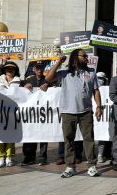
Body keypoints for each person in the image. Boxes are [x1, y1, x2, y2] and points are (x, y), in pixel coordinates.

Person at [45, 49, 102, 178]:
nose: (87, 58)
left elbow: (96, 91)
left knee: (89, 139)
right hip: (67, 112)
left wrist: (99, 106)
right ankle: (70, 166)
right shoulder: (65, 73)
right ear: (76, 58)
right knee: (68, 140)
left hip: (86, 112)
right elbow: (48, 78)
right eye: (84, 56)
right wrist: (59, 62)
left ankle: (92, 166)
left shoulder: (91, 72)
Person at [21, 64, 51, 166]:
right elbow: (20, 92)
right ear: (34, 69)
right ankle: (28, 157)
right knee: (29, 135)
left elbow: (55, 90)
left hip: (43, 113)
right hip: (31, 114)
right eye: (37, 68)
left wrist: (49, 87)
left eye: (41, 68)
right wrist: (24, 87)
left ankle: (42, 157)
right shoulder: (28, 80)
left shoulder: (47, 79)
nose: (39, 70)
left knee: (43, 135)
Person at [0, 61, 21, 168]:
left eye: (12, 69)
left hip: (12, 112)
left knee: (11, 135)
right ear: (4, 70)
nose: (10, 70)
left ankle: (9, 157)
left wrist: (27, 86)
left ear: (15, 70)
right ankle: (0, 158)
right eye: (7, 69)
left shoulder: (19, 81)